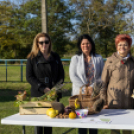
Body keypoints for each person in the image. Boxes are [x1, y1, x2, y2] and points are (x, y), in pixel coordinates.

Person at [26, 32, 64, 134]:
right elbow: (29, 77)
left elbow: (61, 75)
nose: (44, 45)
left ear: (49, 43)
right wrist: (43, 88)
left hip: (53, 95)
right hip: (38, 95)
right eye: (41, 42)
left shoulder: (55, 57)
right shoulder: (32, 58)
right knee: (38, 126)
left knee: (49, 124)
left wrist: (55, 89)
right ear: (37, 44)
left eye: (46, 42)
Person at [69, 34, 104, 134]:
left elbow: (102, 75)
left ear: (91, 44)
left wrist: (92, 87)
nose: (85, 45)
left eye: (88, 43)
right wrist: (84, 88)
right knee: (82, 122)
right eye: (83, 43)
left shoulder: (98, 58)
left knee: (93, 121)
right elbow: (73, 76)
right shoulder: (75, 58)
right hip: (80, 95)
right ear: (80, 45)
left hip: (94, 94)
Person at [100, 34, 134, 134]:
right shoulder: (110, 61)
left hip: (129, 104)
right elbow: (103, 83)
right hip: (113, 103)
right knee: (115, 131)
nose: (122, 47)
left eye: (125, 45)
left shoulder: (133, 62)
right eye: (119, 45)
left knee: (127, 131)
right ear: (116, 46)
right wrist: (104, 102)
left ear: (129, 46)